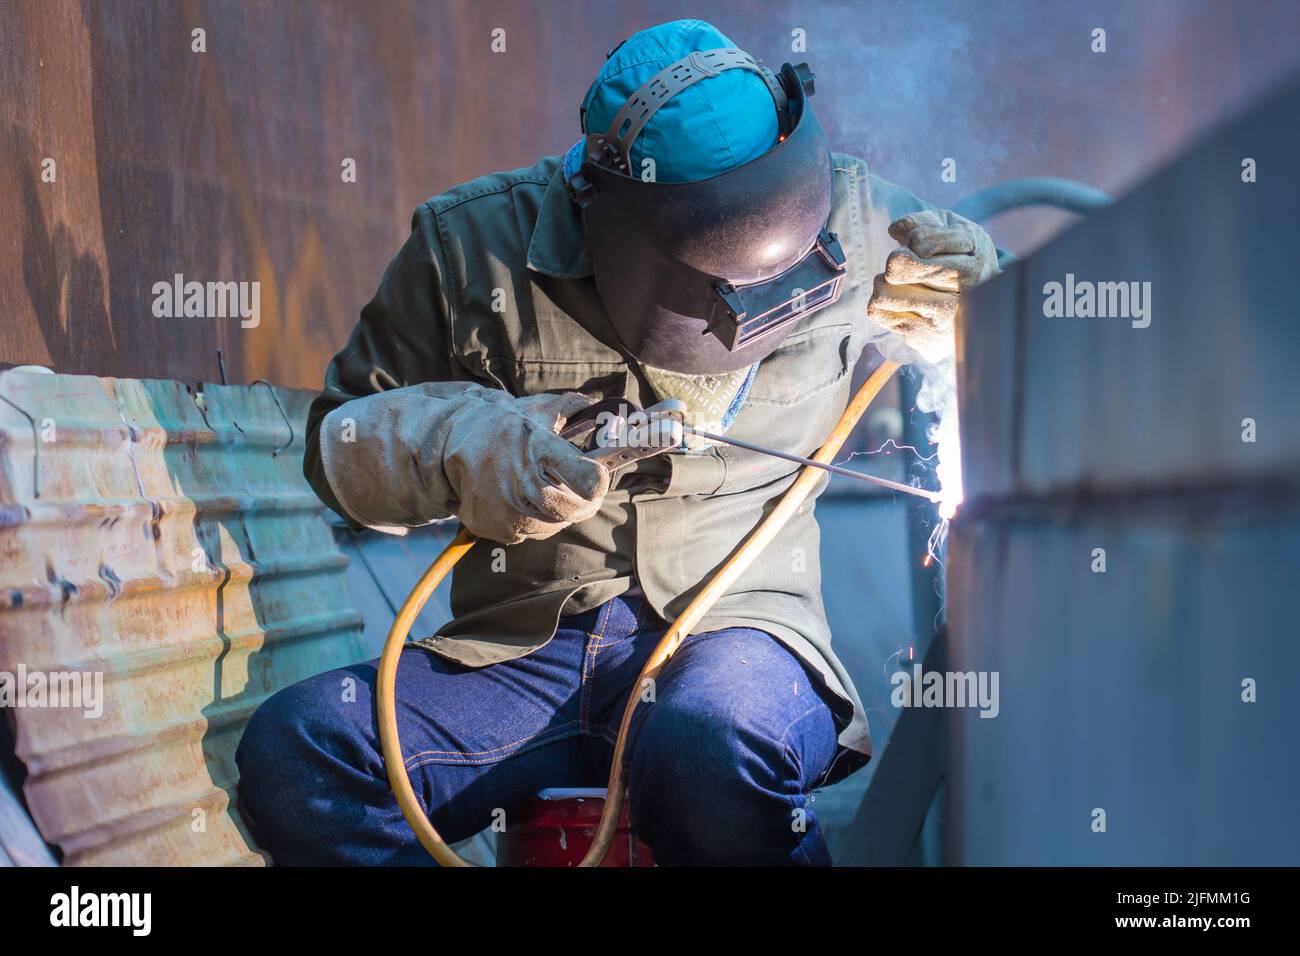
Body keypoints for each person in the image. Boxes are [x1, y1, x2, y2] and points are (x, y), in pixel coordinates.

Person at [235, 18, 999, 866]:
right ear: (612, 214)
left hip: (742, 639)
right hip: (525, 651)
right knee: (297, 756)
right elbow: (337, 450)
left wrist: (978, 320)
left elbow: (1015, 367)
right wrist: (460, 442)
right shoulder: (472, 248)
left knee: (708, 749)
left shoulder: (862, 223)